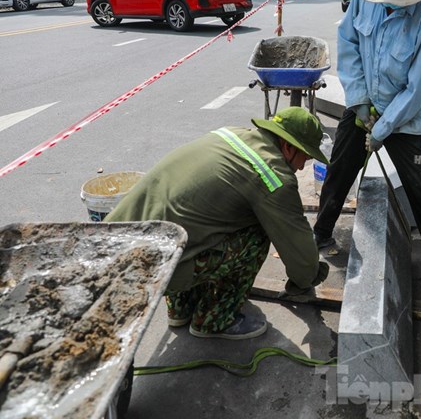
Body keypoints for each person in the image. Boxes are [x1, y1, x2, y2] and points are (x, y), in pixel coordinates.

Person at [313, 0, 421, 312]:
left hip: (409, 120)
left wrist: (381, 128)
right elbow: (348, 44)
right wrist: (360, 102)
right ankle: (321, 235)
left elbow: (417, 89)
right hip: (366, 106)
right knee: (340, 169)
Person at [105, 107, 330, 339]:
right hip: (155, 273)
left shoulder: (230, 134)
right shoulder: (273, 176)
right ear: (288, 146)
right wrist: (309, 276)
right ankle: (215, 320)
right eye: (305, 156)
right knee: (258, 232)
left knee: (202, 216)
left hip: (115, 248)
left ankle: (181, 307)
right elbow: (298, 250)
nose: (302, 167)